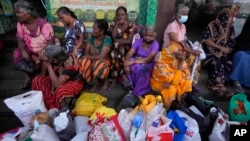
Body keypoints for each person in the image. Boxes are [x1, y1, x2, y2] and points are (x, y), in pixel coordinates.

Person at [13, 0, 55, 89]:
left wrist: (44, 50)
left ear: (28, 13)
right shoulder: (20, 24)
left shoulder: (43, 24)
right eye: (16, 12)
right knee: (17, 52)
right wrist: (23, 51)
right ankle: (27, 78)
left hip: (42, 49)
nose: (17, 15)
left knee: (46, 55)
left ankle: (41, 78)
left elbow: (51, 40)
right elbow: (20, 39)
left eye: (19, 12)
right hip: (30, 50)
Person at [202, 3, 240, 98]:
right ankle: (219, 87)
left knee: (228, 64)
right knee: (215, 63)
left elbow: (232, 42)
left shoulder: (230, 28)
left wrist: (226, 50)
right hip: (210, 52)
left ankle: (216, 86)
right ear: (224, 17)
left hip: (222, 54)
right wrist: (220, 48)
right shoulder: (212, 25)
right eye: (230, 17)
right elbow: (206, 40)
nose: (231, 20)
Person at [162, 4, 201, 93]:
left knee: (196, 58)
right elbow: (177, 42)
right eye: (184, 14)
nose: (185, 16)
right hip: (170, 49)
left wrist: (191, 50)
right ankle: (182, 82)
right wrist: (192, 51)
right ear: (177, 15)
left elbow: (183, 42)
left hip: (181, 48)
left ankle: (192, 83)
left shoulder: (183, 27)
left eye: (187, 14)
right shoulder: (172, 26)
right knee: (185, 57)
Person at [32, 45, 84, 110]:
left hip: (74, 83)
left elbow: (58, 84)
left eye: (47, 57)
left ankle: (55, 108)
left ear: (52, 59)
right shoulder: (57, 59)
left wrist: (48, 65)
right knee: (38, 80)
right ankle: (50, 103)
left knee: (60, 91)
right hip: (59, 78)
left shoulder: (70, 65)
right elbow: (53, 75)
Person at [150, 41, 192, 109]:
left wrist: (180, 63)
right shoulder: (161, 62)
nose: (180, 54)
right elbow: (174, 82)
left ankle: (180, 104)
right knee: (171, 90)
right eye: (177, 52)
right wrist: (180, 64)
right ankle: (166, 109)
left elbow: (186, 75)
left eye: (181, 51)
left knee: (186, 83)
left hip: (171, 82)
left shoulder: (178, 59)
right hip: (159, 83)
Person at [124, 26, 159, 96]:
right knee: (131, 65)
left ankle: (140, 90)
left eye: (150, 36)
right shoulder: (139, 41)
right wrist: (126, 64)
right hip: (137, 58)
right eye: (146, 35)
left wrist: (133, 61)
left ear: (154, 36)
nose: (148, 38)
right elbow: (130, 53)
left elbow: (148, 59)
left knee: (142, 68)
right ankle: (131, 86)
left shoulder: (155, 44)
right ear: (144, 35)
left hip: (149, 62)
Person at [79, 19, 112, 92]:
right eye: (92, 28)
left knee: (99, 64)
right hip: (93, 58)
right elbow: (86, 53)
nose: (92, 30)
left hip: (104, 60)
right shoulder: (91, 37)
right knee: (84, 61)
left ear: (102, 30)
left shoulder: (107, 39)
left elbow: (101, 56)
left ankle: (106, 82)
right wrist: (93, 60)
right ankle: (94, 82)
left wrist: (93, 59)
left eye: (95, 28)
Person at [109, 6, 135, 90]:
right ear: (116, 16)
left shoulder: (130, 26)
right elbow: (113, 37)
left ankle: (114, 80)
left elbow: (129, 41)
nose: (121, 17)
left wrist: (118, 41)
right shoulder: (113, 24)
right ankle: (122, 75)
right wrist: (116, 24)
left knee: (116, 48)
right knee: (116, 49)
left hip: (126, 49)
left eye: (122, 15)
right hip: (116, 50)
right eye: (119, 15)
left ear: (126, 16)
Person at [229, 15, 250, 92]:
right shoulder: (248, 27)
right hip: (243, 48)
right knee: (241, 56)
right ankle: (236, 80)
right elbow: (241, 42)